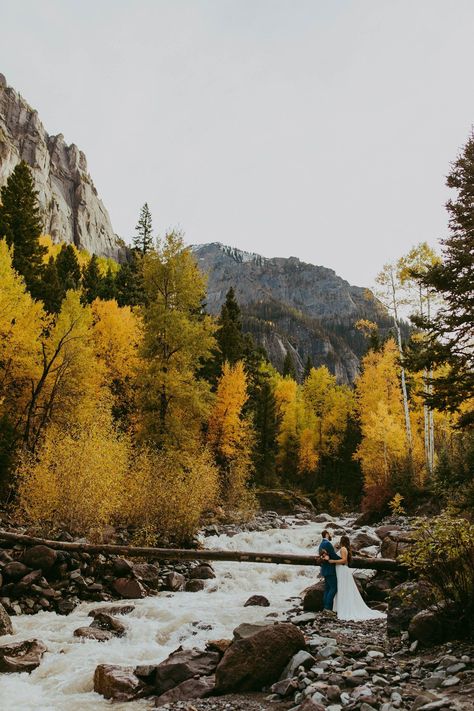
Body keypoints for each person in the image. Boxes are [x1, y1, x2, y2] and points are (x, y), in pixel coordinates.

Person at [327, 535, 386, 621]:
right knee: (342, 589)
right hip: (341, 571)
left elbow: (344, 561)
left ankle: (344, 609)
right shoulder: (344, 548)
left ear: (341, 541)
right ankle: (340, 608)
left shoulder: (343, 549)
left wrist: (333, 561)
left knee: (343, 589)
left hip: (342, 570)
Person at [318, 530, 340, 613]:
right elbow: (333, 555)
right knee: (333, 588)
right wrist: (342, 559)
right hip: (330, 569)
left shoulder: (321, 544)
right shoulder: (328, 544)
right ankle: (328, 608)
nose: (331, 535)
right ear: (326, 534)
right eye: (330, 534)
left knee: (327, 589)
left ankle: (325, 607)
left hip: (324, 569)